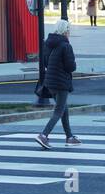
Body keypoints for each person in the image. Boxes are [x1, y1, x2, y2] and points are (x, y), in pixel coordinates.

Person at [35, 19, 82, 149]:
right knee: (59, 110)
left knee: (63, 109)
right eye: (69, 31)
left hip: (50, 81)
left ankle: (69, 137)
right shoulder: (66, 46)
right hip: (61, 82)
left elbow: (44, 62)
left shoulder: (48, 43)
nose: (69, 33)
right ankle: (43, 135)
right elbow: (70, 67)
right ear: (65, 31)